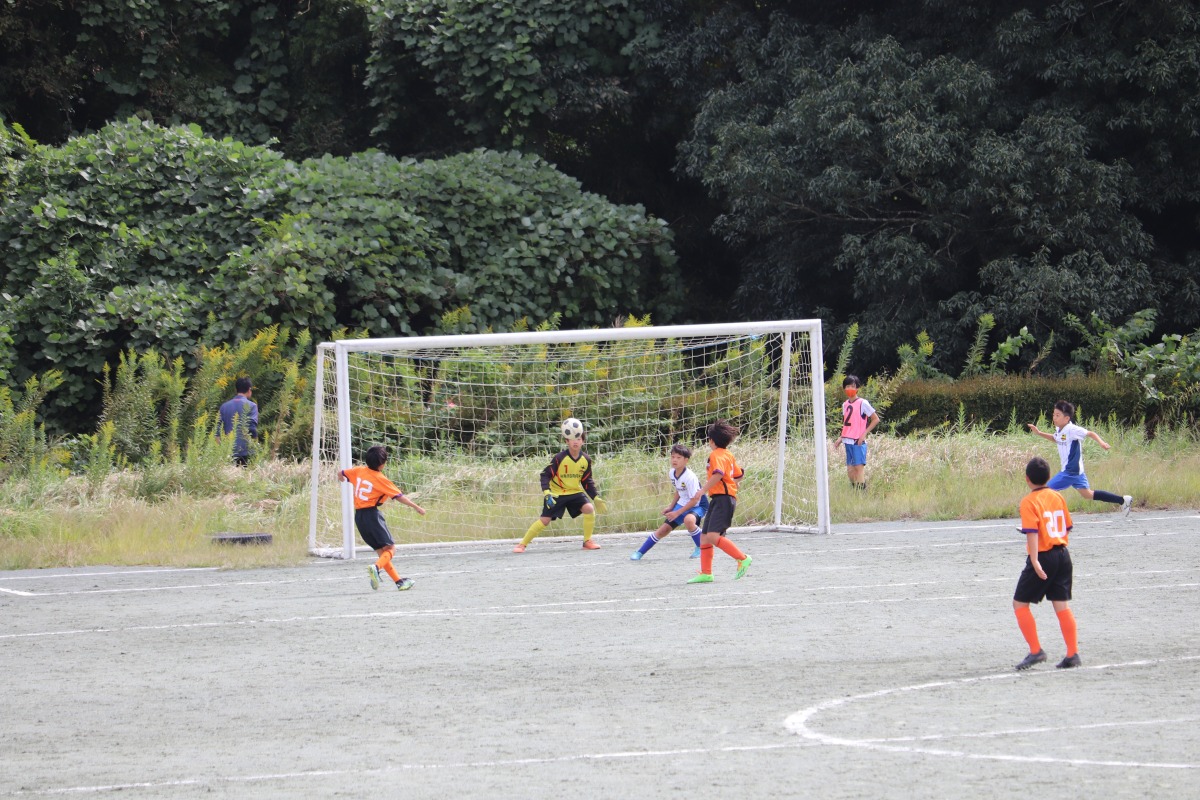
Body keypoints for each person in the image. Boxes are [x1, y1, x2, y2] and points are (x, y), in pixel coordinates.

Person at [1012, 456, 1081, 670]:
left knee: (1019, 604)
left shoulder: (1029, 501)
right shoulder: (1057, 496)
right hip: (1063, 554)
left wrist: (1034, 560)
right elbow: (1067, 527)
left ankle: (1036, 651)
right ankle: (1072, 654)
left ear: (1027, 478)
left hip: (1043, 556)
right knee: (1061, 605)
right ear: (1049, 477)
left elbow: (1032, 533)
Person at [339, 445, 426, 591]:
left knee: (382, 552)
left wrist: (340, 478)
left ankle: (399, 582)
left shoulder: (359, 470)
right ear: (382, 464)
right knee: (391, 549)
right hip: (372, 516)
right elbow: (399, 497)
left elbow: (341, 473)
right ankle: (376, 567)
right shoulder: (380, 479)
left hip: (359, 517)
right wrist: (416, 507)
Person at [513, 421, 608, 553]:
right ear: (567, 441)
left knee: (589, 508)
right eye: (572, 439)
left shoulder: (586, 459)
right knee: (545, 520)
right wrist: (547, 492)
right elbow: (545, 475)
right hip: (556, 494)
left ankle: (587, 541)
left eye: (578, 438)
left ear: (583, 441)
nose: (575, 442)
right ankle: (522, 544)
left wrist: (595, 497)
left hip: (574, 492)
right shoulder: (559, 458)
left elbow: (587, 480)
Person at [1027, 400, 1132, 516]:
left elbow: (1090, 433)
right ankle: (1123, 500)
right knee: (1088, 494)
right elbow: (1055, 438)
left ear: (1067, 418)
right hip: (1077, 472)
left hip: (1070, 471)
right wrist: (1039, 433)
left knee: (1045, 490)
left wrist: (1101, 443)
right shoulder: (1059, 430)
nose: (1054, 418)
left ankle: (1040, 517)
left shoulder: (1072, 430)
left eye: (1057, 415)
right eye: (1053, 415)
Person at [686, 419, 752, 584]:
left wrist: (702, 490)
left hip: (723, 499)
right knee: (705, 537)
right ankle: (706, 573)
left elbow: (718, 474)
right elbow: (739, 475)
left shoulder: (716, 455)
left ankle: (742, 558)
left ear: (711, 440)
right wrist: (732, 484)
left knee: (713, 536)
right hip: (720, 499)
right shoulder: (728, 454)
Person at [630, 444, 707, 560]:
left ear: (686, 460)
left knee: (689, 520)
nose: (674, 460)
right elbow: (679, 490)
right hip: (683, 504)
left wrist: (677, 512)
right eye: (673, 457)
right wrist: (671, 507)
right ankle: (640, 552)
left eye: (678, 457)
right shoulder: (672, 473)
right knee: (663, 530)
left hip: (698, 505)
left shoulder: (690, 477)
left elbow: (695, 499)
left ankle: (701, 547)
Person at [840, 375, 879, 490]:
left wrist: (864, 434)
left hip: (858, 441)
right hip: (847, 440)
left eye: (853, 386)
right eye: (848, 386)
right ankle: (855, 492)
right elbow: (847, 424)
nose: (850, 389)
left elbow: (875, 419)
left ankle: (862, 493)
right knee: (850, 470)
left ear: (857, 388)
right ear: (844, 388)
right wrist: (840, 438)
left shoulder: (863, 403)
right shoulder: (845, 404)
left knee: (859, 468)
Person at [218, 376, 259, 467]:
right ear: (249, 390)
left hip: (228, 451)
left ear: (236, 389)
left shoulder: (224, 407)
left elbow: (217, 433)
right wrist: (255, 448)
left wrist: (222, 452)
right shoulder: (252, 406)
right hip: (246, 452)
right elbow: (252, 428)